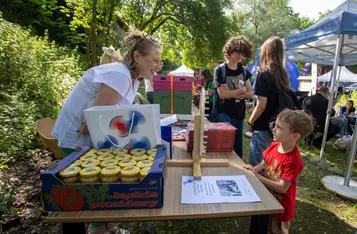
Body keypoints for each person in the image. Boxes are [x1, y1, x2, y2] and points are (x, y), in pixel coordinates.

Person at [51, 30, 161, 234]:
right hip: (74, 141)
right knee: (94, 187)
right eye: (154, 60)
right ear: (137, 56)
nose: (158, 66)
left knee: (105, 182)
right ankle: (99, 229)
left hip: (85, 138)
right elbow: (96, 122)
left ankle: (110, 226)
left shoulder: (132, 78)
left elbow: (107, 118)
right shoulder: (119, 75)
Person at [245, 109, 314, 234]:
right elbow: (264, 162)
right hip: (267, 197)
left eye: (279, 127)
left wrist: (257, 177)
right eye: (274, 125)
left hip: (280, 205)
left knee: (276, 229)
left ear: (295, 136)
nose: (273, 129)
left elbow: (282, 188)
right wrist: (256, 168)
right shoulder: (275, 146)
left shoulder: (293, 160)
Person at [247, 36, 300, 166]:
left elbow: (261, 105)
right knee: (270, 164)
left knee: (257, 165)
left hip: (262, 126)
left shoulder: (263, 75)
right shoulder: (283, 75)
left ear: (266, 52)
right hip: (276, 127)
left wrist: (250, 121)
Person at [213, 35, 253, 158]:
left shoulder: (244, 71)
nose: (240, 55)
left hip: (240, 115)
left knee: (237, 148)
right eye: (237, 52)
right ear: (229, 51)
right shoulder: (220, 70)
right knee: (223, 147)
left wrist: (231, 93)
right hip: (224, 114)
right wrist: (241, 91)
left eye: (242, 53)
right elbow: (222, 94)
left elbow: (250, 93)